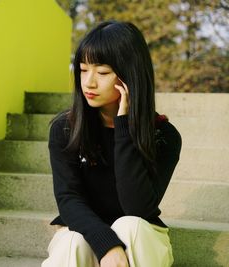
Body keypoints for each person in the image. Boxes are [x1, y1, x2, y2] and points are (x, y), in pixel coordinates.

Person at [41, 20, 182, 267]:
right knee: (74, 241)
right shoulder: (66, 128)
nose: (89, 82)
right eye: (83, 70)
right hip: (82, 232)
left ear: (130, 74)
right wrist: (107, 244)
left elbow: (137, 207)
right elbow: (69, 199)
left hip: (141, 239)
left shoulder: (163, 136)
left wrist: (123, 125)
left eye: (102, 72)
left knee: (130, 226)